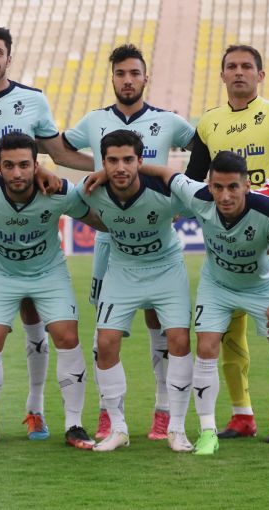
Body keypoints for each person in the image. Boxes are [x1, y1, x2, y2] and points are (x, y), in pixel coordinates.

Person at [0, 25, 94, 441]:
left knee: (34, 312)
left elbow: (57, 152)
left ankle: (36, 408)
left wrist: (102, 166)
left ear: (9, 57)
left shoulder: (33, 99)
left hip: (26, 211)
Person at [64, 44, 195, 441]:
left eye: (134, 73)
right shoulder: (94, 120)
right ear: (113, 78)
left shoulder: (168, 121)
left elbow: (203, 148)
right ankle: (108, 413)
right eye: (120, 73)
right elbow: (59, 148)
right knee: (104, 330)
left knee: (161, 325)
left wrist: (175, 187)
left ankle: (163, 409)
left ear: (145, 78)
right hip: (111, 240)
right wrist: (97, 169)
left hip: (155, 231)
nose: (127, 80)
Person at [143, 151, 269, 455]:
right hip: (217, 286)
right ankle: (208, 433)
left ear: (247, 185)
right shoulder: (199, 197)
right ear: (209, 185)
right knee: (206, 347)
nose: (225, 195)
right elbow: (168, 174)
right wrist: (124, 168)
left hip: (262, 287)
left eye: (233, 187)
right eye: (218, 187)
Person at [185, 44, 269, 442]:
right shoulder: (208, 122)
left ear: (260, 74)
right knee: (228, 335)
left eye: (247, 66)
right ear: (222, 75)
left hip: (265, 235)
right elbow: (194, 178)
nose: (239, 72)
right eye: (232, 66)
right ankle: (242, 414)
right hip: (225, 237)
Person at [0, 133, 103, 450]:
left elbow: (98, 219)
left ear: (36, 165)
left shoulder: (59, 191)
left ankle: (74, 425)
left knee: (67, 336)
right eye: (8, 166)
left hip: (49, 274)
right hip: (2, 274)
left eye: (24, 165)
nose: (17, 173)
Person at [77, 130, 194, 453]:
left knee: (179, 340)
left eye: (128, 160)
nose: (120, 167)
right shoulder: (91, 190)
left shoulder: (166, 191)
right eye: (112, 161)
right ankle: (118, 429)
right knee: (105, 342)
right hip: (122, 271)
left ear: (141, 161)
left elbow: (206, 199)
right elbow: (61, 197)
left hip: (166, 269)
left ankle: (177, 428)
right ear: (102, 163)